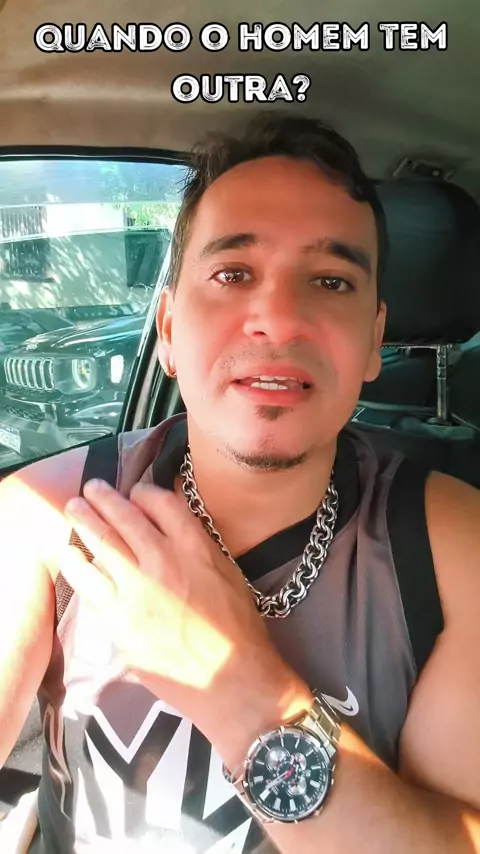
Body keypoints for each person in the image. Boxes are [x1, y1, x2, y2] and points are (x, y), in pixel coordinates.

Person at [0, 114, 479, 854]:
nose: (279, 320)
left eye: (331, 281)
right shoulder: (45, 519)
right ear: (167, 329)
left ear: (374, 341)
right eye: (232, 274)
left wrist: (245, 696)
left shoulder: (456, 551)